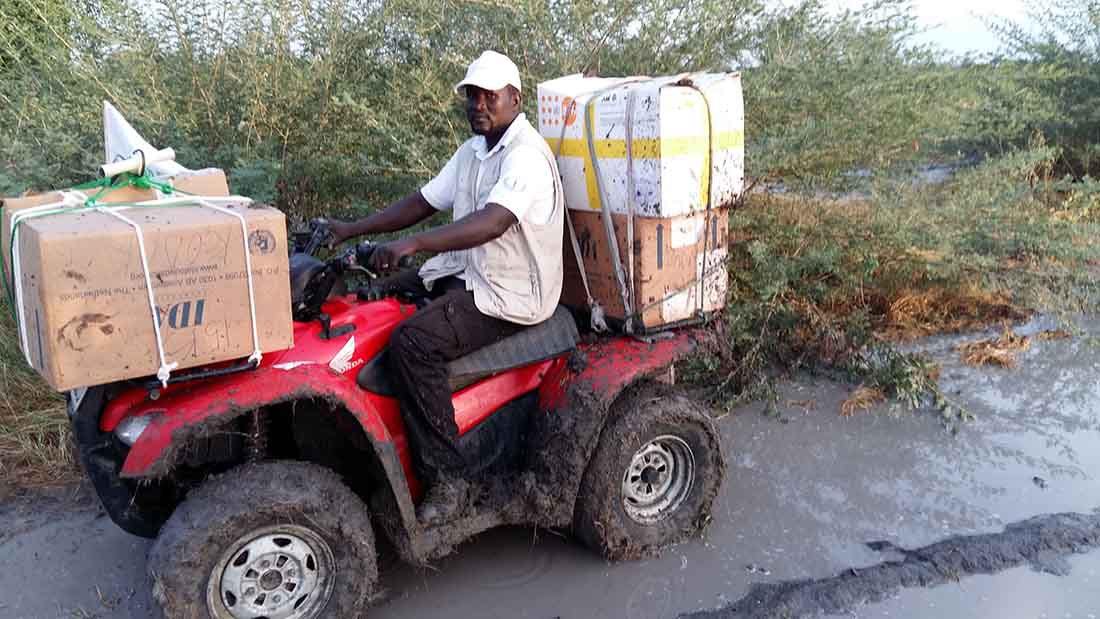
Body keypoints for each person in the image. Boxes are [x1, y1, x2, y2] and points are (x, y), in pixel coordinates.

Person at [328, 50, 564, 526]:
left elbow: (494, 222)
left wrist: (413, 243)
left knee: (412, 344)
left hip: (512, 294)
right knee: (382, 291)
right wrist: (351, 229)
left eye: (488, 96)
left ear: (514, 98)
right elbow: (421, 202)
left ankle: (450, 480)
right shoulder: (473, 152)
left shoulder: (527, 156)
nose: (478, 104)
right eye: (471, 95)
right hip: (470, 270)